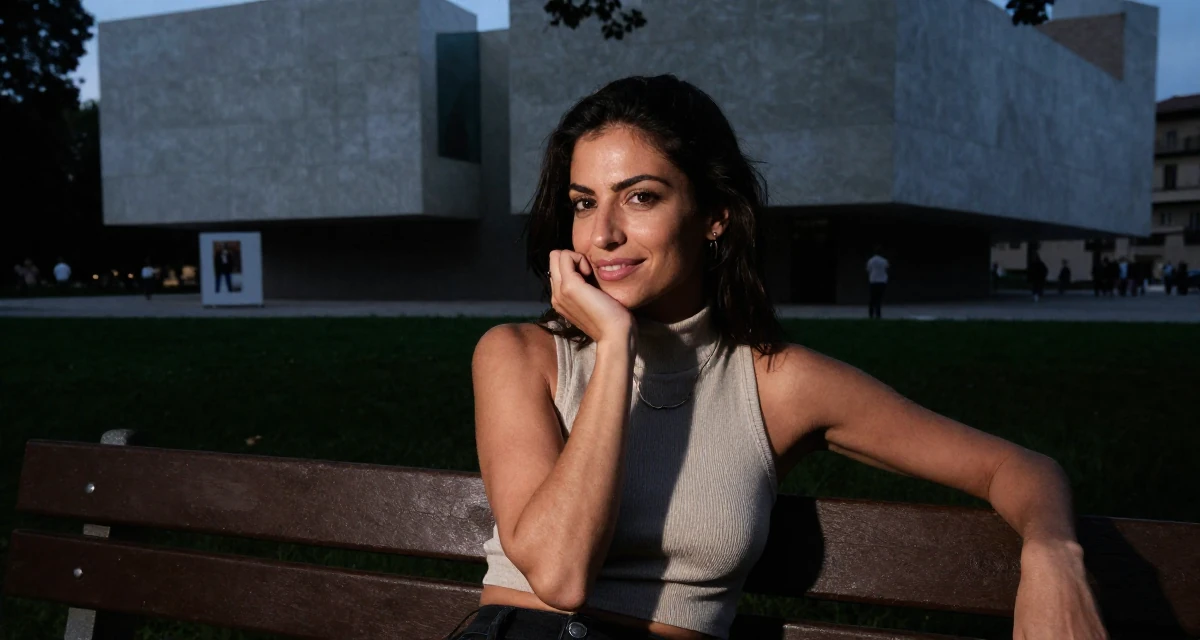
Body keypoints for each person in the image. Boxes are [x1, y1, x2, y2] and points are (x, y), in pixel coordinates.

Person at [459, 75, 1106, 640]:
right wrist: (617, 344)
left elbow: (1014, 467)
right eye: (583, 203)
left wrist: (1053, 555)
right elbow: (560, 574)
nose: (603, 234)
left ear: (713, 215)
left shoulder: (777, 384)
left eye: (640, 196)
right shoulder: (520, 356)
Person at [866, 249, 889, 319]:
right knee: (879, 298)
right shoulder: (884, 261)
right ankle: (878, 314)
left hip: (873, 281)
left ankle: (871, 314)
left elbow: (868, 270)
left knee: (872, 298)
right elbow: (887, 268)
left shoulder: (871, 260)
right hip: (882, 281)